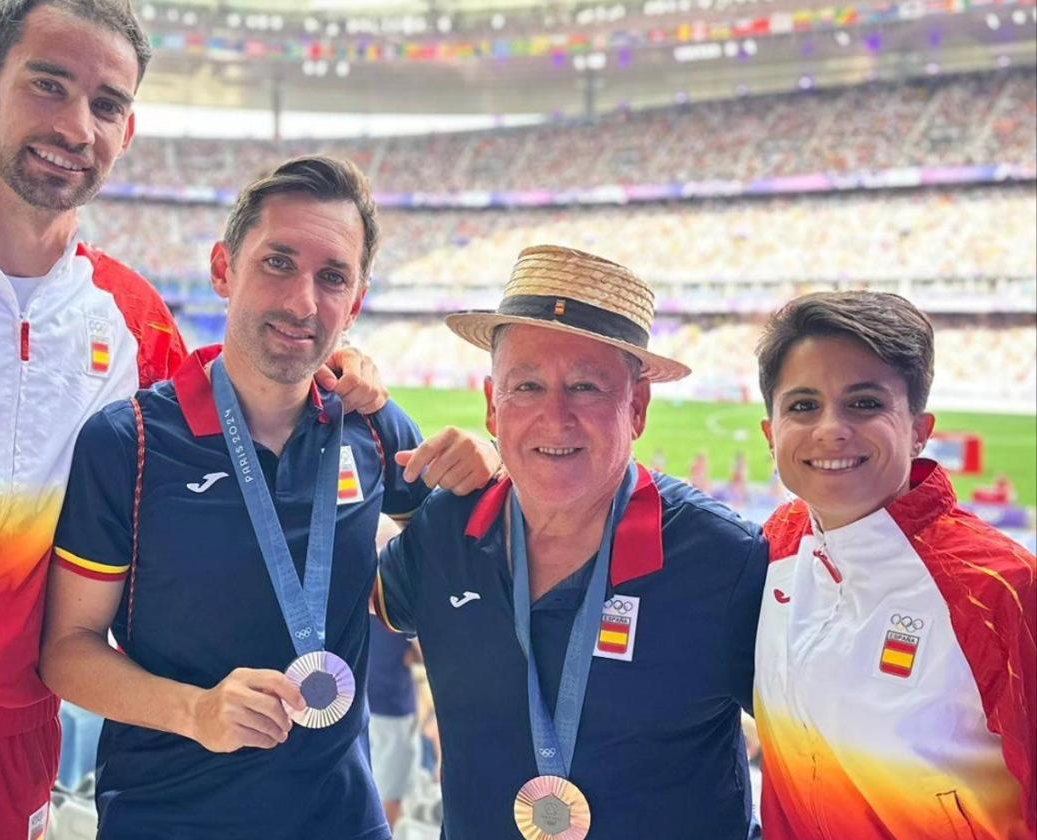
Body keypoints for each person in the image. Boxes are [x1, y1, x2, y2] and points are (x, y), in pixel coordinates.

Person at [0, 6, 380, 839]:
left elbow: (246, 395)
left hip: (14, 745)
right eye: (47, 84)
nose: (73, 125)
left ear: (127, 132)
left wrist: (346, 367)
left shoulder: (134, 320)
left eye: (105, 103)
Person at [39, 156, 499, 839]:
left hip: (344, 817)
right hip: (169, 818)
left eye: (332, 277)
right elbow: (66, 651)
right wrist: (196, 711)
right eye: (277, 263)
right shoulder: (128, 442)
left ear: (357, 300)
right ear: (224, 269)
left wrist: (486, 463)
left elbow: (458, 543)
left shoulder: (373, 425)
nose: (302, 302)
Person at [375, 245, 768, 839]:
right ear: (491, 406)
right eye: (526, 387)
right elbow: (345, 593)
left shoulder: (724, 559)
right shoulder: (443, 533)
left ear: (636, 408)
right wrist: (356, 398)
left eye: (586, 387)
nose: (554, 418)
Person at [752, 291, 1035, 840]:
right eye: (802, 405)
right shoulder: (772, 547)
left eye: (864, 403)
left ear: (920, 430)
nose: (830, 428)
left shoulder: (1001, 588)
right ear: (771, 434)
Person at [368, 620, 421, 830]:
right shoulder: (398, 592)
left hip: (361, 704)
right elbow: (433, 652)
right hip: (390, 709)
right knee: (389, 798)